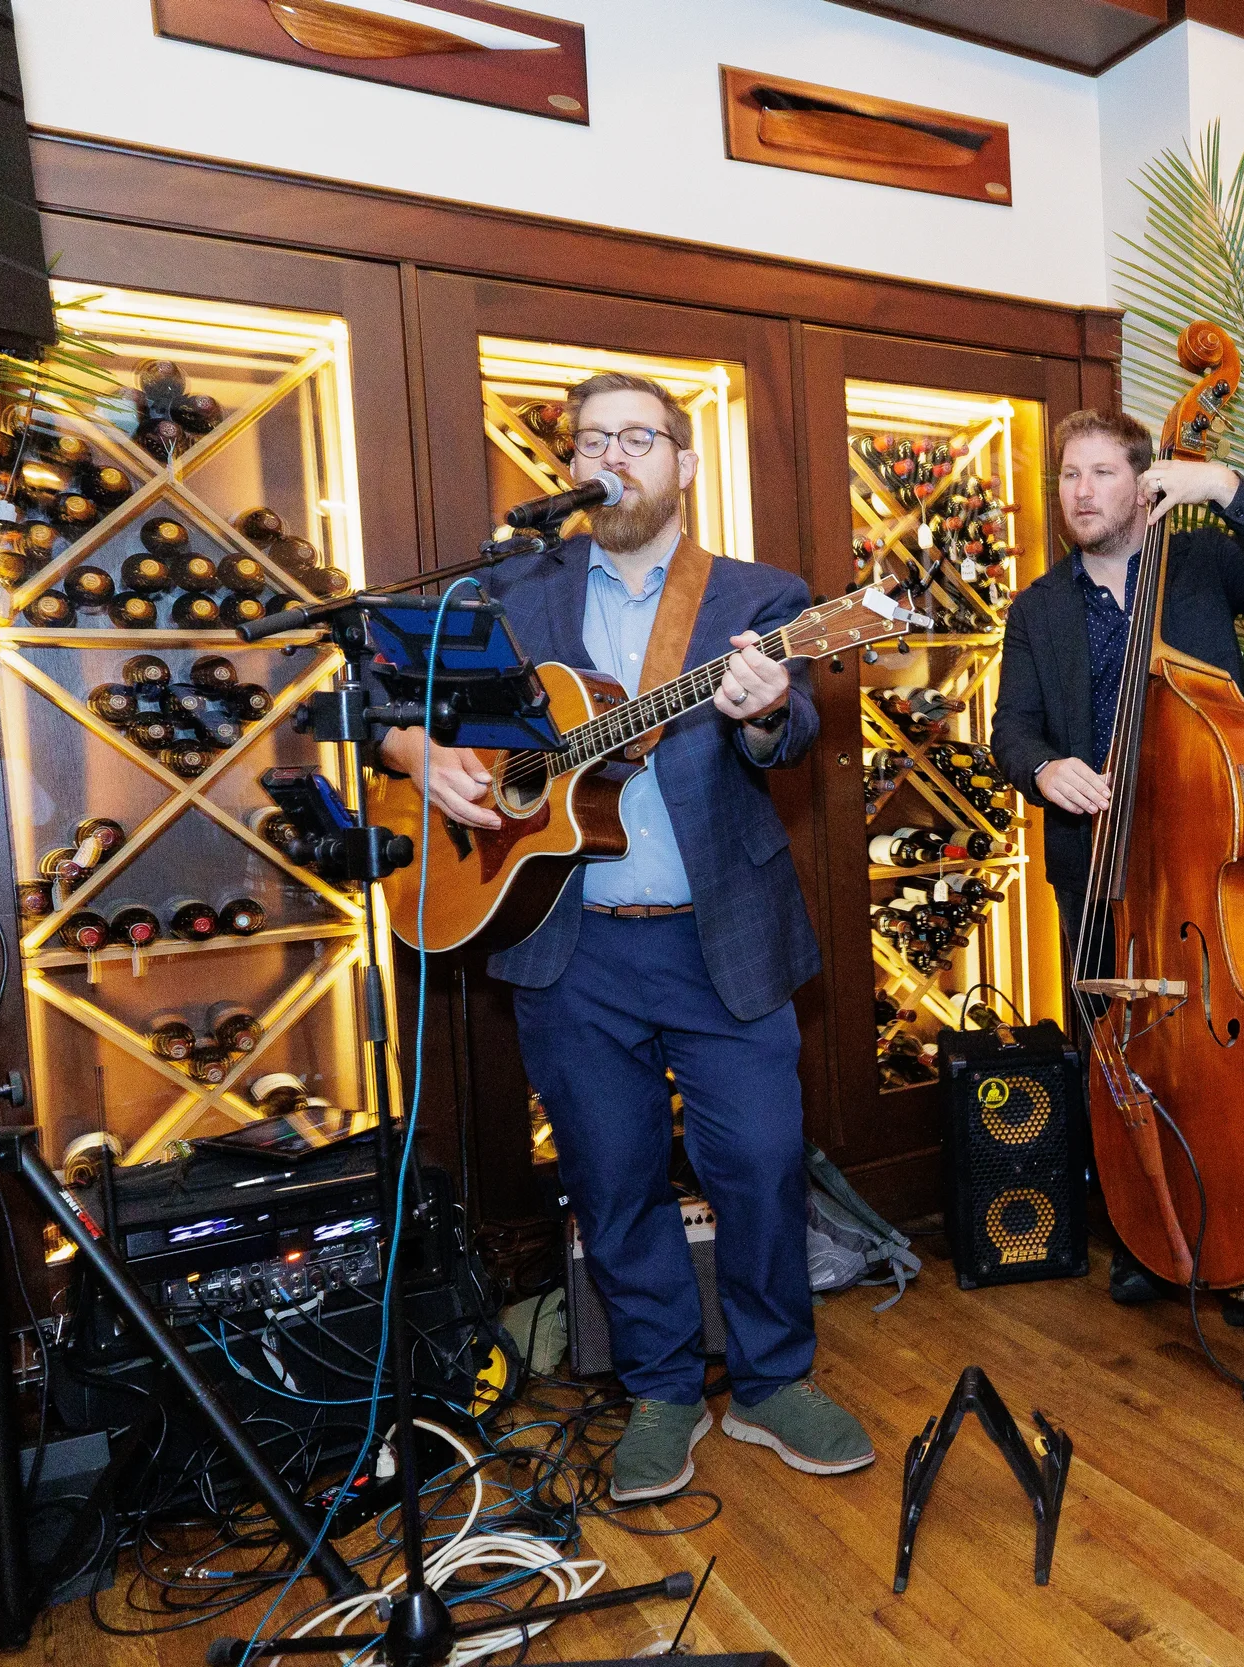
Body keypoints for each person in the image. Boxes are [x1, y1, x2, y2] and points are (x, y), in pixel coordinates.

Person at [377, 373, 873, 1500]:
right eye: (593, 439)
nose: (614, 456)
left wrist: (757, 712)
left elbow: (787, 734)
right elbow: (392, 691)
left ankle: (769, 1378)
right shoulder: (512, 588)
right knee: (612, 1176)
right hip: (568, 939)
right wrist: (425, 762)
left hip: (721, 937)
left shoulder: (762, 593)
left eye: (638, 437)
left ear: (684, 464)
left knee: (757, 1162)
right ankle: (657, 1385)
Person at [991, 409, 1244, 1313]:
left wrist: (1222, 486)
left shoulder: (1202, 567)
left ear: (1144, 483)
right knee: (1121, 1056)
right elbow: (1009, 731)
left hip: (1203, 854)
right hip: (1098, 868)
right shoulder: (1039, 607)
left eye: (1103, 473)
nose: (1083, 491)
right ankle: (1146, 1225)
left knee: (1218, 1058)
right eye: (1070, 475)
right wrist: (1045, 766)